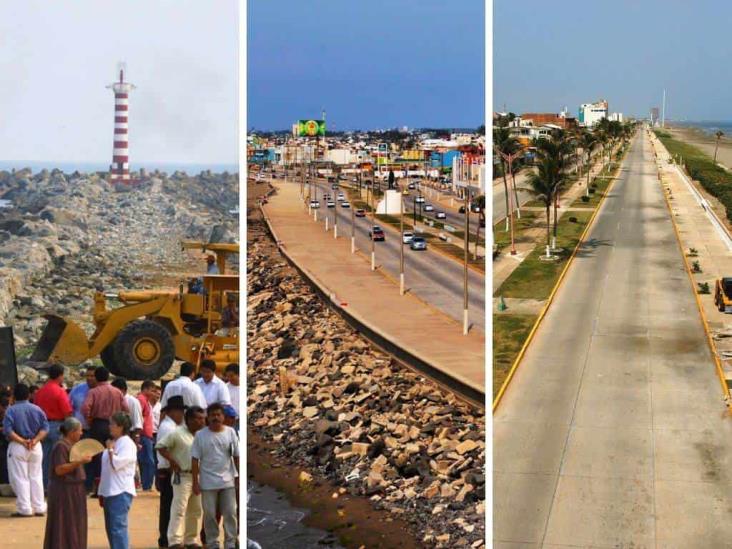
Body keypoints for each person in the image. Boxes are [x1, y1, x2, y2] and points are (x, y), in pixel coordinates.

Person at [156, 406, 206, 549]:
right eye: (199, 418)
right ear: (190, 420)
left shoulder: (202, 435)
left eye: (203, 418)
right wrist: (172, 461)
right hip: (183, 475)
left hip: (199, 476)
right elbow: (160, 446)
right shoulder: (177, 433)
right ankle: (175, 541)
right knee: (179, 508)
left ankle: (191, 539)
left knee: (196, 510)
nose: (202, 421)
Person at [192, 403, 239, 549]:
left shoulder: (230, 432)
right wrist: (195, 482)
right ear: (208, 417)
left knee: (230, 513)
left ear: (223, 417)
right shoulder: (200, 435)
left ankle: (230, 542)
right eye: (212, 415)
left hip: (228, 481)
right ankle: (213, 543)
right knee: (210, 515)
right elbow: (195, 459)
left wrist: (239, 477)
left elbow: (236, 456)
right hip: (207, 482)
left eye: (218, 415)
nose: (216, 418)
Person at [43, 417, 91, 549]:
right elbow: (59, 469)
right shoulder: (61, 446)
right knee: (63, 522)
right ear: (71, 432)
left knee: (74, 523)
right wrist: (80, 462)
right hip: (64, 490)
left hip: (74, 490)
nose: (81, 433)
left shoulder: (71, 446)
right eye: (79, 431)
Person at [3, 383, 49, 517]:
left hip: (18, 445)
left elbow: (8, 430)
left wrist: (22, 441)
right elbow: (45, 428)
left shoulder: (11, 411)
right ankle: (39, 506)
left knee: (20, 477)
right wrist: (35, 440)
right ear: (28, 395)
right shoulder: (37, 409)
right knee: (36, 476)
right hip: (35, 446)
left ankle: (25, 508)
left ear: (13, 396)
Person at [81, 367, 129, 494]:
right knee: (112, 453)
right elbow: (126, 409)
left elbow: (85, 408)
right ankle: (110, 485)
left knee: (97, 455)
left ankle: (97, 487)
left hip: (98, 424)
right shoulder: (117, 392)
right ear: (108, 377)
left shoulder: (93, 392)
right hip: (114, 425)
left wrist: (90, 419)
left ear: (96, 377)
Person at [99, 412, 137, 549]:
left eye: (112, 424)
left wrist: (109, 450)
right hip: (110, 491)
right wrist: (102, 491)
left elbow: (116, 464)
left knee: (118, 529)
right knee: (111, 529)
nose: (109, 427)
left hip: (120, 491)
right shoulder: (115, 442)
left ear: (120, 427)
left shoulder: (127, 444)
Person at [34, 363, 73, 489]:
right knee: (59, 458)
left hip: (42, 428)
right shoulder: (60, 391)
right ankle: (57, 486)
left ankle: (45, 486)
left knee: (45, 459)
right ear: (60, 376)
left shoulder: (40, 392)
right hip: (58, 426)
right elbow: (67, 412)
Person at [156, 395, 185, 549]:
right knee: (168, 505)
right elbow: (162, 448)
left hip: (169, 469)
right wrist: (174, 463)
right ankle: (166, 539)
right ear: (173, 412)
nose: (182, 416)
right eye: (181, 412)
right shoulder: (168, 427)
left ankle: (167, 538)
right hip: (168, 470)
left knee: (169, 505)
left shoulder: (171, 425)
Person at [69, 366, 98, 492]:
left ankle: (91, 485)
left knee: (94, 459)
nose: (90, 378)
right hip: (80, 431)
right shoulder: (77, 390)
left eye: (92, 376)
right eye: (88, 376)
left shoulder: (100, 390)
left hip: (95, 430)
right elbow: (69, 407)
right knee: (79, 458)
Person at [137, 380, 156, 491]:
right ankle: (147, 485)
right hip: (144, 435)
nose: (154, 393)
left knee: (146, 461)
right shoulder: (141, 400)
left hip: (146, 435)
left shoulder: (145, 400)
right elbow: (140, 418)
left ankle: (146, 485)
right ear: (146, 389)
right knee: (148, 461)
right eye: (152, 390)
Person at [224, 364, 239, 429]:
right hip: (230, 421)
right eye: (228, 376)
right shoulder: (224, 388)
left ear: (238, 374)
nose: (229, 378)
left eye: (231, 376)